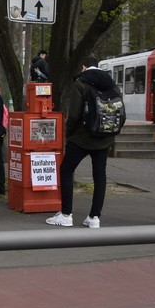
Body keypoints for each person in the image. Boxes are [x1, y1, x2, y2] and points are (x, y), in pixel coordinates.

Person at [46, 54, 118, 228]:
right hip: (104, 136)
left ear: (84, 67)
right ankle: (94, 217)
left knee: (66, 170)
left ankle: (66, 214)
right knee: (100, 176)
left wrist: (69, 133)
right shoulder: (111, 83)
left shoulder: (81, 83)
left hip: (82, 137)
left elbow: (75, 113)